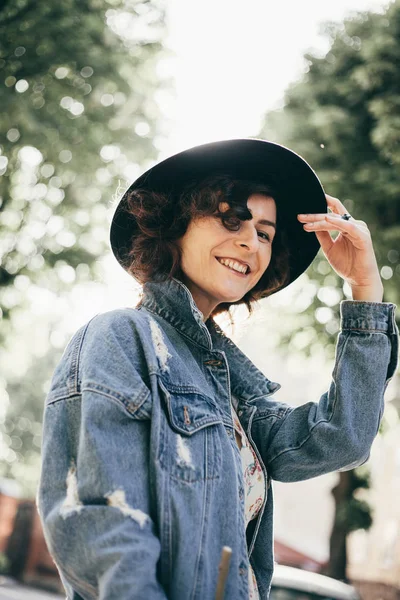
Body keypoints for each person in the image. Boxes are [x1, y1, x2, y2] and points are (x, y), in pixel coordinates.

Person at [37, 139, 398, 600]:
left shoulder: (233, 393)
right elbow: (101, 525)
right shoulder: (121, 339)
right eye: (231, 219)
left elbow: (341, 439)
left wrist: (365, 287)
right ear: (175, 224)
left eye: (265, 233)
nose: (250, 240)